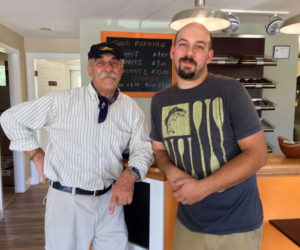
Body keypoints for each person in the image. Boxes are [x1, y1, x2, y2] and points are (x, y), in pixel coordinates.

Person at [0, 42, 153, 250]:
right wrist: (36, 154)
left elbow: (143, 147)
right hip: (67, 203)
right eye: (101, 63)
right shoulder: (62, 102)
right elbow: (10, 119)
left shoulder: (131, 109)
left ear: (121, 69)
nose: (108, 68)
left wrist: (131, 173)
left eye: (114, 63)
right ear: (90, 69)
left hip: (110, 202)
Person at [150, 22, 267, 250]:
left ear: (209, 56)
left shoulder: (230, 90)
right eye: (183, 45)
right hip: (189, 224)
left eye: (199, 47)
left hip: (237, 226)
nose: (190, 53)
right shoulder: (160, 101)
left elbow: (257, 154)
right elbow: (159, 149)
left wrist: (203, 188)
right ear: (173, 52)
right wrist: (170, 170)